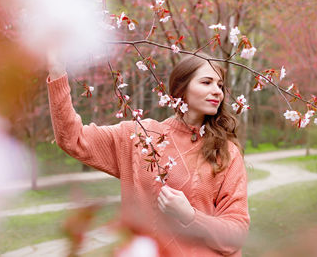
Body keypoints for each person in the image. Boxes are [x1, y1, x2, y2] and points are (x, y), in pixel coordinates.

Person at [47, 51, 250, 256]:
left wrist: (190, 215)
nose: (217, 91)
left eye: (220, 85)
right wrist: (57, 72)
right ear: (182, 89)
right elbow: (73, 139)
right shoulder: (139, 137)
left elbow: (236, 234)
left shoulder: (226, 152)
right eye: (207, 82)